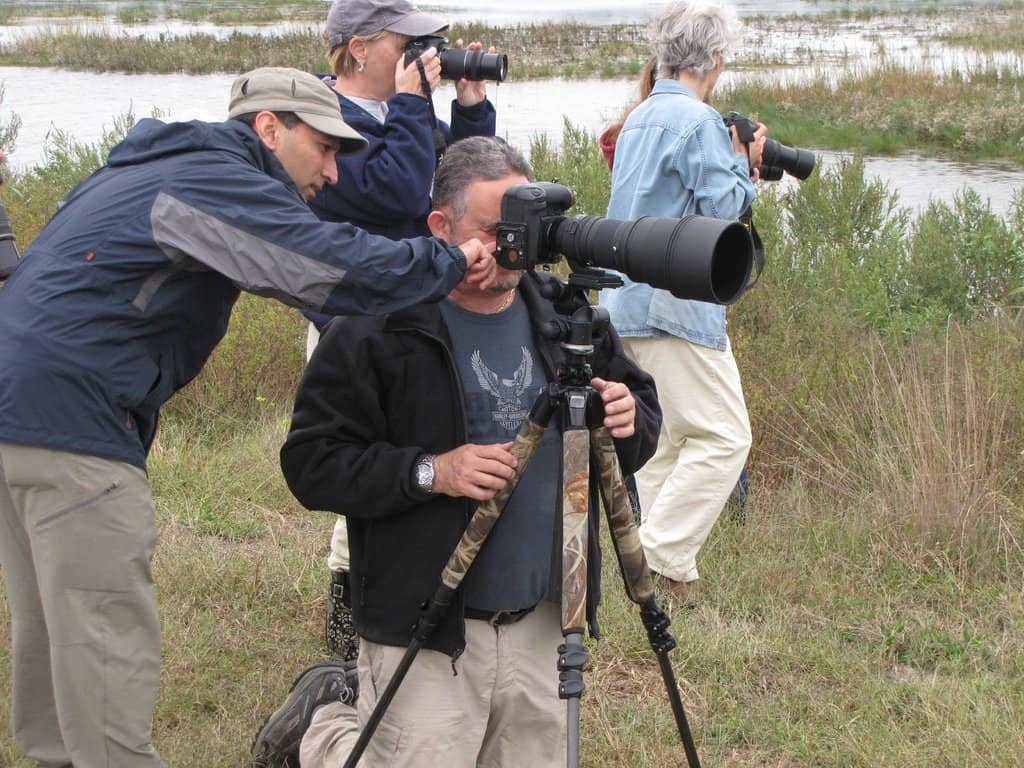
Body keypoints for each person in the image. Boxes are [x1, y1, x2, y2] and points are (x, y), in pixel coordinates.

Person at [0, 66, 496, 768]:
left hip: (16, 418)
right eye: (324, 147)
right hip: (75, 423)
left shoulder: (147, 170)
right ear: (269, 127)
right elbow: (324, 267)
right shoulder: (216, 180)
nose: (332, 172)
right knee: (104, 642)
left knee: (54, 634)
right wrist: (445, 261)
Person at [251, 136, 661, 768]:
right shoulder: (378, 326)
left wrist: (627, 420)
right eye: (494, 231)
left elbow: (640, 425)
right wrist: (431, 471)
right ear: (440, 227)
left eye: (525, 229)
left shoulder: (565, 319)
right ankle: (326, 730)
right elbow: (311, 462)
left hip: (545, 620)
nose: (511, 247)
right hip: (427, 626)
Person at [308, 0, 498, 661]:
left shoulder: (404, 114)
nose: (424, 56)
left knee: (425, 460)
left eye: (429, 44)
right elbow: (399, 193)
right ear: (360, 48)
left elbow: (457, 181)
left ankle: (419, 598)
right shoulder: (327, 122)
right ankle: (348, 617)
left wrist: (468, 107)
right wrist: (416, 105)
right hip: (356, 331)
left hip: (422, 321)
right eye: (407, 43)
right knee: (367, 468)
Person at [598, 0, 766, 606]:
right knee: (725, 437)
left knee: (663, 444)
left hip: (626, 300)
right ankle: (657, 559)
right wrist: (745, 165)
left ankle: (671, 582)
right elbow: (722, 212)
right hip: (677, 304)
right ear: (715, 58)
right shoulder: (698, 122)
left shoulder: (641, 117)